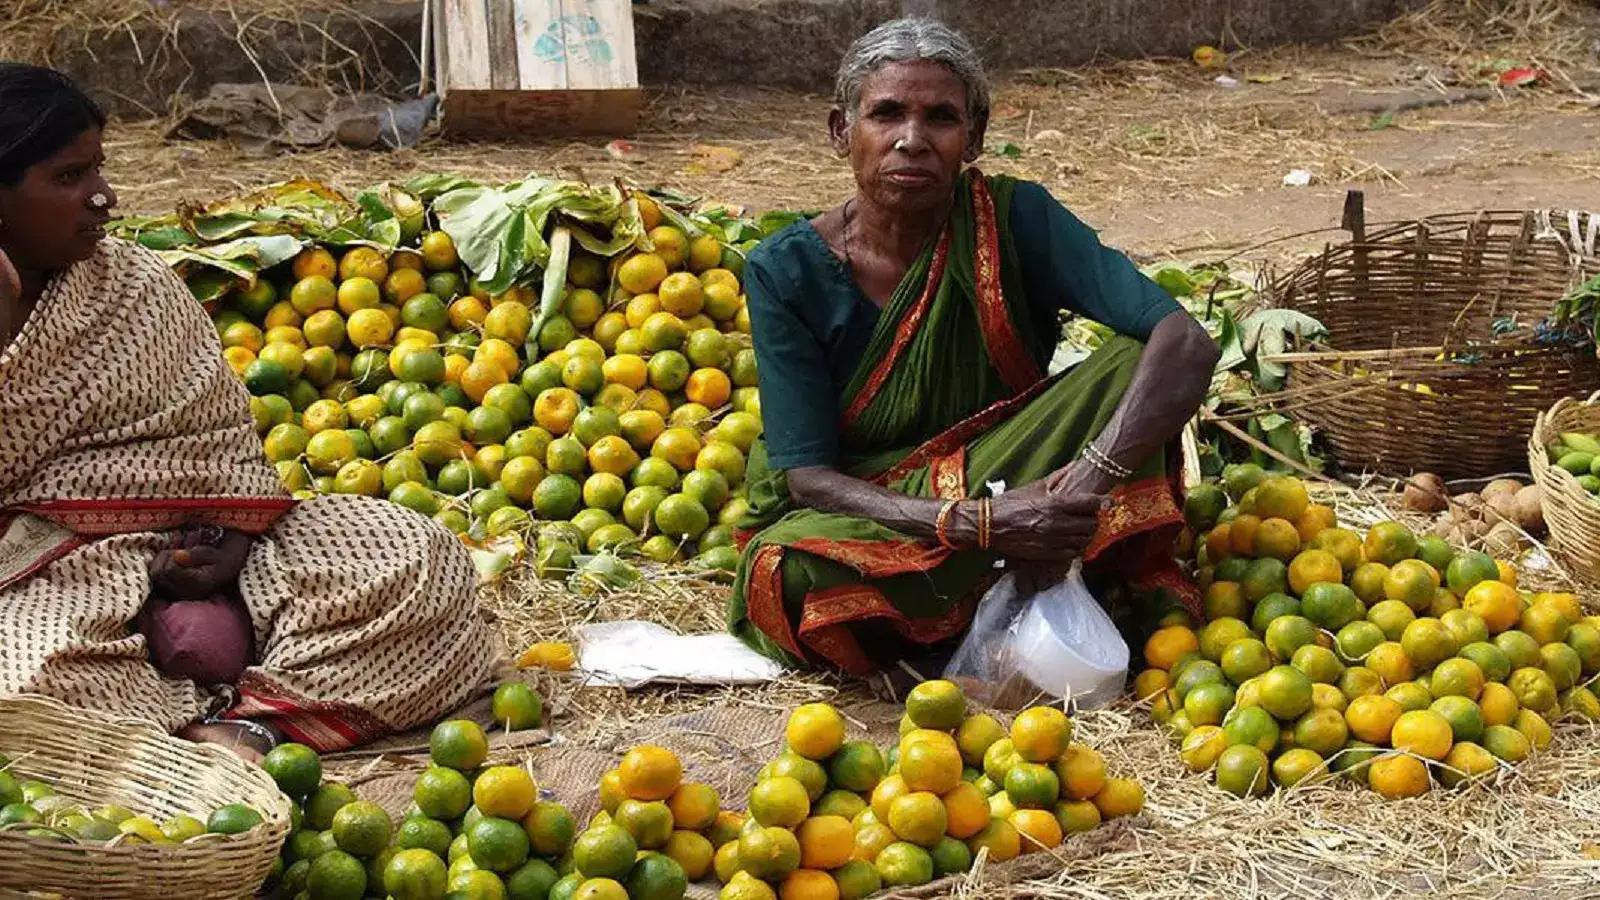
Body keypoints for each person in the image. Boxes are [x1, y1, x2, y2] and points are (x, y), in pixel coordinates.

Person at [0, 64, 497, 759]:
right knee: (25, 677)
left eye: (99, 168)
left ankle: (258, 721)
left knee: (420, 560)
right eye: (69, 177)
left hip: (217, 560)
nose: (104, 196)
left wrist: (230, 536)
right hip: (46, 579)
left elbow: (220, 443)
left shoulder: (135, 285)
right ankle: (175, 726)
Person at [729, 19, 1222, 678]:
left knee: (1140, 362)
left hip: (1019, 471)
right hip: (879, 508)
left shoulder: (1014, 220)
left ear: (976, 137)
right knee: (787, 576)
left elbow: (1185, 340)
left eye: (941, 117)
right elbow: (809, 478)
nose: (912, 139)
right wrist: (971, 523)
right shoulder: (785, 271)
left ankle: (1025, 572)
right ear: (841, 131)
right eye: (886, 114)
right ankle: (1007, 583)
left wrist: (1079, 486)